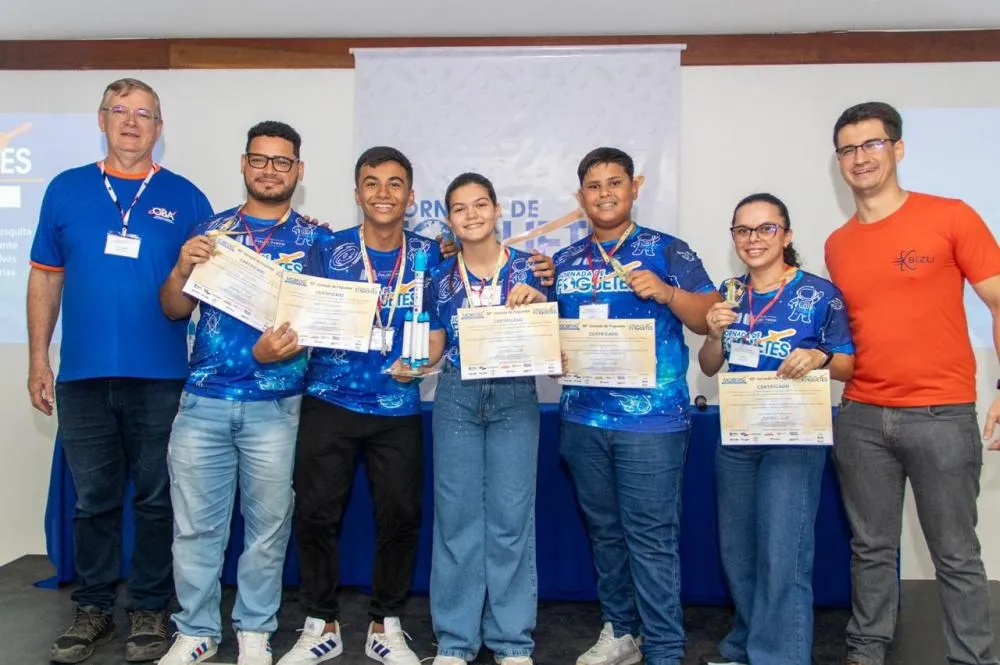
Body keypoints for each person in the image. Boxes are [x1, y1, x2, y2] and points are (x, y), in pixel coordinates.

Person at [278, 147, 555, 665]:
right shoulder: (336, 248)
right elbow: (426, 336)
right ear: (357, 192)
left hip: (405, 405)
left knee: (428, 519)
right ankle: (338, 625)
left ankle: (482, 636)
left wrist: (420, 363)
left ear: (410, 197)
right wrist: (423, 361)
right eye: (372, 183)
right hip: (336, 398)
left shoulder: (445, 259)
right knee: (324, 515)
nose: (383, 193)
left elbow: (527, 335)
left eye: (395, 184)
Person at [27, 78, 213, 664]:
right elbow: (46, 277)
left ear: (160, 129)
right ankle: (93, 610)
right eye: (121, 111)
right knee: (94, 501)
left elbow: (212, 287)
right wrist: (38, 356)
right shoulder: (65, 189)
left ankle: (152, 610)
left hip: (161, 377)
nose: (132, 122)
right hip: (81, 377)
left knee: (158, 500)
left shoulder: (186, 197)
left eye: (145, 114)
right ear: (101, 119)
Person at [825, 101, 1000, 665]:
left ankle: (972, 657)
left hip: (941, 416)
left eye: (871, 144)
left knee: (955, 553)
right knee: (871, 549)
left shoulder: (951, 216)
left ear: (897, 149)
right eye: (848, 149)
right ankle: (867, 649)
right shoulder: (837, 243)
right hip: (861, 416)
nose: (860, 158)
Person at [155, 121, 324, 665]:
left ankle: (255, 630)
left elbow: (330, 325)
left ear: (297, 171)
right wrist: (182, 266)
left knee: (268, 528)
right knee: (195, 528)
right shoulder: (211, 232)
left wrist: (289, 352)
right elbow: (174, 310)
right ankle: (197, 632)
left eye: (282, 161)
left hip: (276, 405)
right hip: (203, 402)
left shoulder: (319, 241)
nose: (269, 170)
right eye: (260, 159)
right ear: (244, 163)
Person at [552, 147, 718, 665]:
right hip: (583, 417)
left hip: (653, 422)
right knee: (605, 532)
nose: (605, 193)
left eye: (614, 182)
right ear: (581, 197)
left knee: (651, 537)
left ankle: (665, 647)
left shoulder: (669, 251)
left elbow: (709, 316)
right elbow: (547, 333)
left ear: (635, 187)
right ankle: (621, 631)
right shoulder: (564, 261)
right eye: (594, 186)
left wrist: (668, 293)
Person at [697, 193, 855, 665]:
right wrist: (711, 334)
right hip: (739, 437)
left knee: (782, 553)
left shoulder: (819, 293)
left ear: (786, 235)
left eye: (765, 228)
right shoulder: (728, 292)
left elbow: (848, 363)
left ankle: (779, 656)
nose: (753, 239)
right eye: (743, 231)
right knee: (739, 552)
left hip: (794, 438)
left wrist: (820, 357)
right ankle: (747, 644)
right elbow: (709, 367)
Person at [427, 173, 548, 665]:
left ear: (498, 211)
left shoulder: (535, 270)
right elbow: (435, 346)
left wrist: (541, 304)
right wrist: (413, 365)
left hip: (516, 396)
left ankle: (512, 639)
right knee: (456, 520)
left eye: (481, 205)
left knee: (511, 521)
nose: (471, 215)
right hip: (456, 393)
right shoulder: (440, 278)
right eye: (460, 208)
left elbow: (555, 335)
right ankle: (455, 640)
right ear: (450, 219)